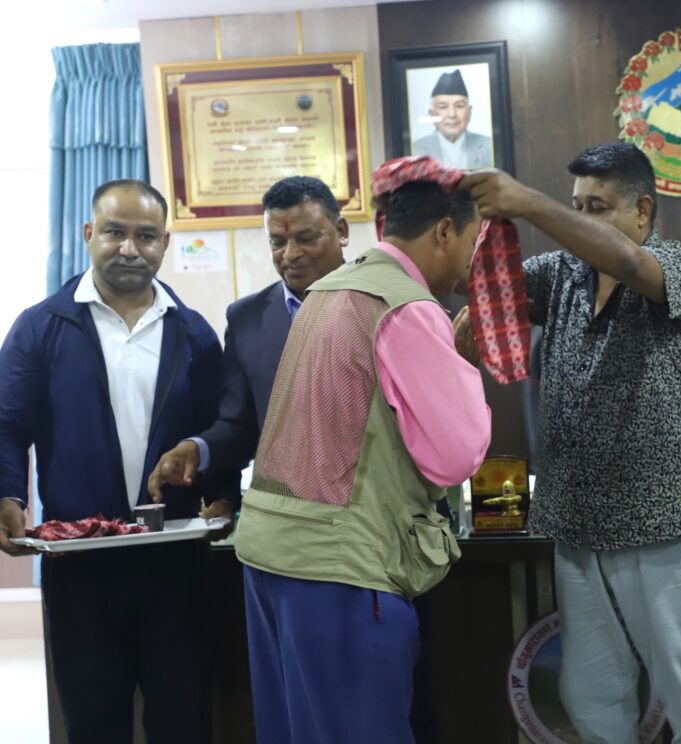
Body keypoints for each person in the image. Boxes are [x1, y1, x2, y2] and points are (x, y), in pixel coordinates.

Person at [459, 142, 681, 743]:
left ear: (643, 210)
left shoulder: (680, 265)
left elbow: (628, 263)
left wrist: (528, 202)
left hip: (661, 526)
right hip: (579, 526)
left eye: (597, 207)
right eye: (576, 206)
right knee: (590, 700)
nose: (580, 219)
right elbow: (471, 278)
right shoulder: (563, 273)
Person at [231, 173, 492, 743]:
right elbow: (455, 457)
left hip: (272, 557)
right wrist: (461, 368)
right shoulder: (406, 305)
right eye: (472, 243)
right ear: (444, 232)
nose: (471, 261)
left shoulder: (327, 293)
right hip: (341, 570)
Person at [0, 179, 235, 743]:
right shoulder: (42, 326)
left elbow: (221, 429)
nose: (130, 248)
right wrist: (9, 495)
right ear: (89, 234)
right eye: (115, 233)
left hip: (175, 564)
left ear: (165, 243)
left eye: (146, 236)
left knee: (184, 723)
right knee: (93, 724)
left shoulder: (193, 333)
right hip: (80, 567)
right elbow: (7, 424)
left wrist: (224, 496)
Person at [148, 175, 347, 503]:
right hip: (287, 515)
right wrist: (196, 450)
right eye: (277, 243)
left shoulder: (379, 304)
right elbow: (240, 427)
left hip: (373, 513)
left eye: (306, 238)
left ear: (341, 231)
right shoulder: (247, 319)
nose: (290, 254)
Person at [412, 69, 494, 169]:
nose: (452, 114)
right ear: (431, 114)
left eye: (459, 106)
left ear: (470, 111)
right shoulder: (415, 149)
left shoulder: (489, 146)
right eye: (443, 107)